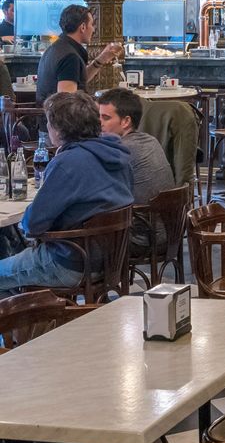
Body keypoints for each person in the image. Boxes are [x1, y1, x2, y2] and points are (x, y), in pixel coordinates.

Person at [0, 92, 133, 294]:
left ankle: (24, 319)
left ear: (59, 129)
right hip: (111, 260)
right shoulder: (119, 155)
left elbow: (33, 224)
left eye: (48, 123)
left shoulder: (68, 163)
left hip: (69, 263)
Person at [98, 87, 175, 252]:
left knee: (77, 240)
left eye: (105, 118)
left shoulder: (121, 150)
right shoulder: (150, 140)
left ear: (126, 121)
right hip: (169, 233)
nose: (99, 123)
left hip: (143, 239)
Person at [35, 4, 123, 100]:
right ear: (83, 27)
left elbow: (79, 79)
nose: (93, 30)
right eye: (92, 24)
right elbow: (66, 103)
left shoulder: (58, 47)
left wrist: (102, 59)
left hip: (47, 113)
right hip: (57, 114)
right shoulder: (70, 57)